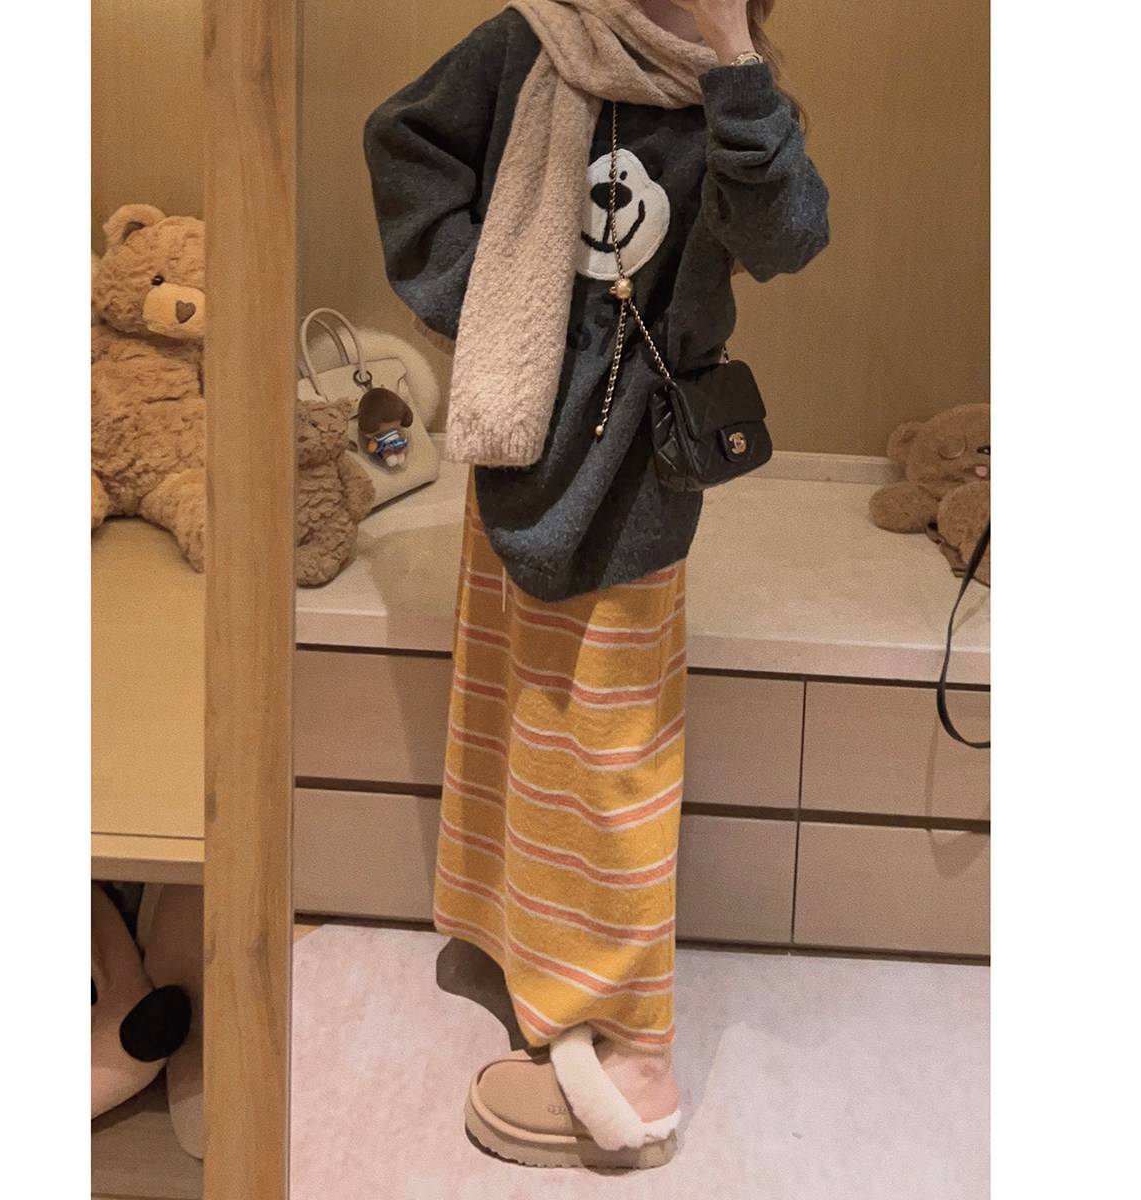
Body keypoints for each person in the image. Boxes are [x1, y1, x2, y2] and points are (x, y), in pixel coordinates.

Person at [364, 0, 829, 1169]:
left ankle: (633, 1056)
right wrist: (487, 299)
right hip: (517, 432)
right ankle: (522, 946)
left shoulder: (736, 87)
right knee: (516, 715)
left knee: (615, 756)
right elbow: (404, 141)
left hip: (637, 476)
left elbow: (788, 235)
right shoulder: (532, 39)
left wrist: (732, 58)